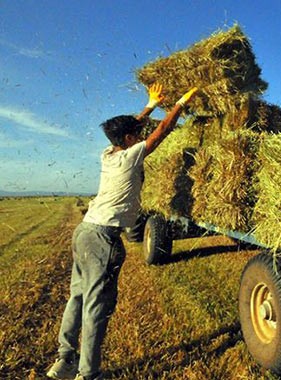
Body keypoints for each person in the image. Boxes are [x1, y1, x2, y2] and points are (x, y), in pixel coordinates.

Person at [46, 84, 198, 380]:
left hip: (84, 231)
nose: (140, 136)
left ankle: (64, 361)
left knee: (76, 297)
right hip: (103, 238)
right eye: (136, 135)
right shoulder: (131, 157)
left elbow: (132, 130)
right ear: (129, 140)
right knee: (96, 308)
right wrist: (179, 103)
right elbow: (162, 132)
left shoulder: (109, 152)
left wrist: (150, 105)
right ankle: (88, 374)